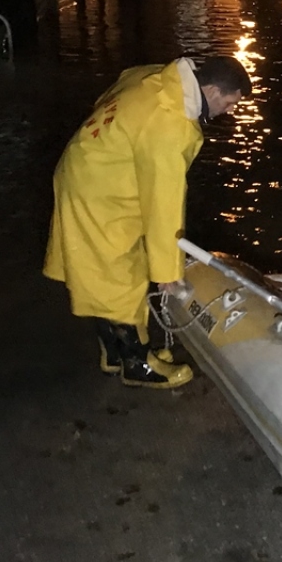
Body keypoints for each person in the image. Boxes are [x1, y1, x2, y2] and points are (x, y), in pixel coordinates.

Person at [44, 56, 251, 390]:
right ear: (210, 89)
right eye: (227, 104)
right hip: (97, 191)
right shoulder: (172, 127)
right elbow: (163, 201)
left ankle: (113, 353)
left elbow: (114, 90)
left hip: (90, 165)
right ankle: (136, 363)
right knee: (119, 278)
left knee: (103, 273)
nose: (227, 112)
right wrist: (167, 271)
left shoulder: (155, 76)